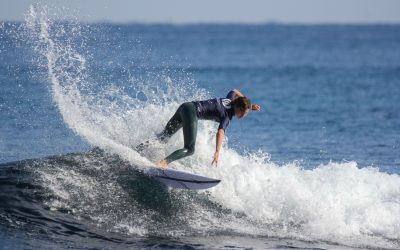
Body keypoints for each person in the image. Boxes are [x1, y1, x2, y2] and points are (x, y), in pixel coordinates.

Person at [137, 88, 261, 168]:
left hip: (186, 106)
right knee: (190, 149)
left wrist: (249, 106)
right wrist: (217, 151)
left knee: (163, 137)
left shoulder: (229, 99)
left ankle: (138, 149)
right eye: (244, 113)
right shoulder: (227, 116)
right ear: (238, 109)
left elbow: (234, 90)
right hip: (192, 114)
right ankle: (163, 163)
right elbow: (220, 132)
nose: (244, 116)